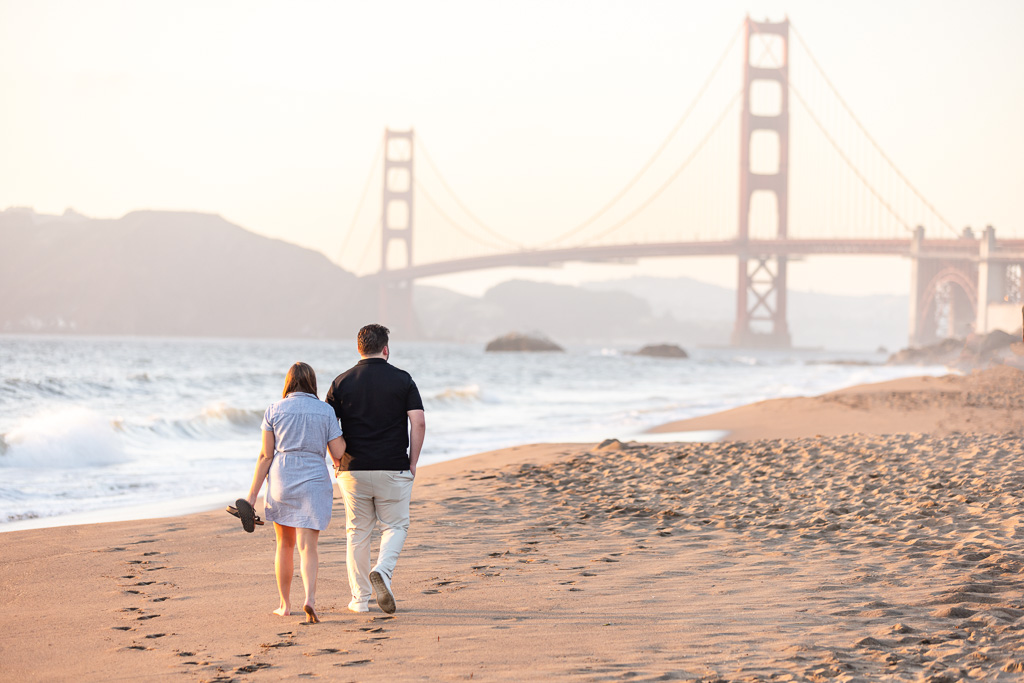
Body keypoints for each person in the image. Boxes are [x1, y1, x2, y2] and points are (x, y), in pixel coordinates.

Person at [326, 324, 426, 614]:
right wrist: (413, 461)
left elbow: (328, 426)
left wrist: (336, 459)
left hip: (352, 470)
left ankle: (359, 600)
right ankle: (383, 570)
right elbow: (417, 422)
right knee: (395, 525)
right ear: (386, 349)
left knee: (357, 532)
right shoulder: (402, 379)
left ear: (359, 348)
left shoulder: (341, 382)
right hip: (392, 466)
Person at [242, 362, 345, 624]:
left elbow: (266, 455)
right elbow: (338, 453)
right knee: (308, 546)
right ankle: (309, 599)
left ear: (288, 382)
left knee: (284, 545)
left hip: (282, 478)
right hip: (314, 478)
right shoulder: (325, 411)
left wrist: (251, 497)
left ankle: (284, 605)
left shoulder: (274, 410)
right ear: (312, 383)